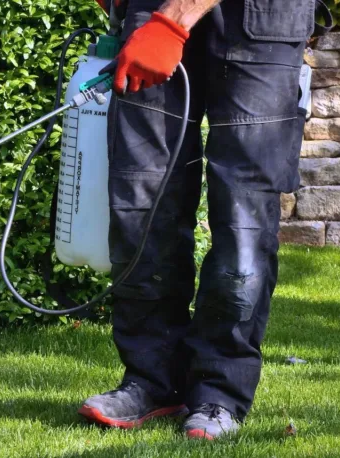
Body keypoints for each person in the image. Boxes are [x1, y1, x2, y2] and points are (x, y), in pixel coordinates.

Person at [77, 0, 316, 440]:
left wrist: (173, 21)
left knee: (244, 217)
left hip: (263, 20)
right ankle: (151, 380)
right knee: (142, 203)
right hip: (151, 12)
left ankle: (219, 391)